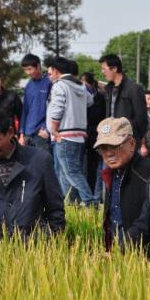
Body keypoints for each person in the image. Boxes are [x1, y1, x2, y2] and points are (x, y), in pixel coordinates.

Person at [0, 108, 65, 241]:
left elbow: (55, 209)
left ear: (10, 132)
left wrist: (52, 241)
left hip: (35, 249)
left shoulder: (39, 161)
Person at [94, 117, 150, 251]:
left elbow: (147, 222)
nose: (109, 153)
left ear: (132, 144)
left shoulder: (149, 175)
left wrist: (122, 248)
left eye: (115, 146)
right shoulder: (111, 173)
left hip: (139, 258)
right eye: (103, 148)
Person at [46, 56, 97, 206]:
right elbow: (90, 101)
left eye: (50, 72)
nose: (50, 75)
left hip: (64, 134)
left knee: (71, 172)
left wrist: (54, 130)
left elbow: (57, 108)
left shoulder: (60, 85)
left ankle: (89, 202)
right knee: (66, 173)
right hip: (79, 134)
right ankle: (70, 204)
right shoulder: (80, 85)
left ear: (56, 71)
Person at [99, 54, 148, 151]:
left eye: (104, 69)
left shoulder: (134, 89)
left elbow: (141, 119)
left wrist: (130, 135)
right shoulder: (109, 90)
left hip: (127, 141)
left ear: (114, 68)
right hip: (109, 139)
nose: (102, 72)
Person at [17, 54, 52, 152]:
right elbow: (25, 110)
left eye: (29, 69)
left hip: (41, 135)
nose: (27, 72)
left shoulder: (49, 83)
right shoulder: (28, 85)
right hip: (27, 134)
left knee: (43, 165)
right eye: (25, 70)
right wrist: (22, 133)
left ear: (38, 66)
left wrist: (46, 128)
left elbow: (53, 109)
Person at [81, 72, 106, 198]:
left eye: (85, 83)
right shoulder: (81, 96)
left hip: (96, 134)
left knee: (95, 166)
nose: (83, 86)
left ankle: (94, 194)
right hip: (83, 134)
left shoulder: (101, 98)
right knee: (84, 166)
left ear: (91, 84)